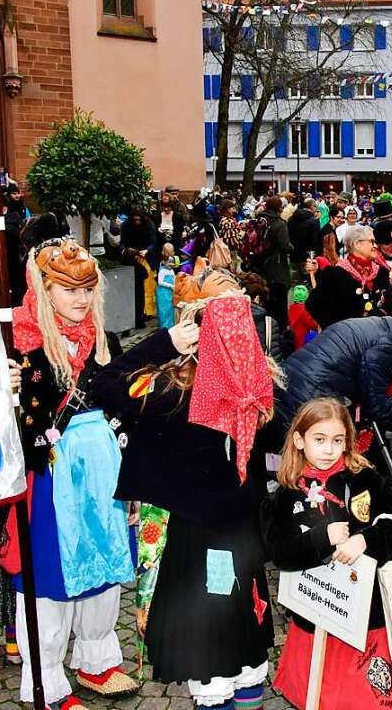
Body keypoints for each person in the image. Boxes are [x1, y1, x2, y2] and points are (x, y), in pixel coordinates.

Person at [93, 265, 277, 710]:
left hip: (199, 541)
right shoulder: (258, 387)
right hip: (233, 538)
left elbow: (104, 382)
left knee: (217, 648)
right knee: (240, 641)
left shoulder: (169, 389)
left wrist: (162, 343)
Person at [10, 239, 138, 709]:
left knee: (102, 572)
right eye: (68, 289)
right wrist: (6, 395)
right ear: (43, 289)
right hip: (49, 479)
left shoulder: (105, 340)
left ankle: (97, 660)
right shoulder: (19, 346)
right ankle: (47, 684)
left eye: (87, 288)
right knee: (51, 584)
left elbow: (125, 400)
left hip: (104, 475)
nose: (81, 300)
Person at [262, 398, 392, 710]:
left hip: (364, 618)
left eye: (337, 440)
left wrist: (365, 541)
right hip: (315, 613)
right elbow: (279, 552)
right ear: (299, 440)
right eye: (319, 440)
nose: (328, 450)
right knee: (318, 696)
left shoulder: (365, 479)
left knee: (366, 700)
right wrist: (323, 537)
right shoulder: (286, 492)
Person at [276, 314, 392, 434]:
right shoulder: (386, 347)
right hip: (310, 393)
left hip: (292, 381)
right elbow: (377, 408)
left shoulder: (377, 326)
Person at [306, 225, 390, 329]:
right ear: (357, 244)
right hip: (348, 339)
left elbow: (389, 303)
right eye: (372, 242)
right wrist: (340, 329)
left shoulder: (381, 272)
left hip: (377, 336)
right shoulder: (335, 274)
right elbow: (314, 305)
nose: (376, 246)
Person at [248, 196, 292, 331]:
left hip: (260, 266)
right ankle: (279, 330)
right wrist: (292, 247)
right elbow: (285, 246)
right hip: (276, 267)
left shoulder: (258, 220)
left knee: (265, 299)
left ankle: (262, 327)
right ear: (280, 208)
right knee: (278, 302)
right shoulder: (279, 223)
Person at [119, 211, 155, 328]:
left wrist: (147, 250)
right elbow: (123, 243)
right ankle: (137, 317)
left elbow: (152, 242)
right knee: (135, 292)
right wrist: (128, 252)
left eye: (139, 220)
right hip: (131, 261)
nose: (137, 222)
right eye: (135, 220)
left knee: (145, 290)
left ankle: (143, 315)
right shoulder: (126, 226)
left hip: (145, 259)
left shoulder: (149, 225)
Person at [288, 198, 322, 276]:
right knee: (308, 279)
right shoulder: (314, 221)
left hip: (293, 254)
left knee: (295, 279)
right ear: (312, 206)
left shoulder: (291, 219)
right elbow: (315, 241)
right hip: (307, 256)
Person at [154, 187, 187, 252]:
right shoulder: (157, 215)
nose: (166, 209)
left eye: (176, 194)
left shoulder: (179, 213)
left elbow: (182, 224)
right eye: (173, 194)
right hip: (161, 242)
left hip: (174, 242)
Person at [156, 242, 177, 329]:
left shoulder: (171, 271)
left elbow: (174, 278)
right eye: (169, 262)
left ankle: (170, 326)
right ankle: (164, 327)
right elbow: (160, 282)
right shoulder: (163, 270)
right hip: (163, 292)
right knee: (163, 309)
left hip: (170, 292)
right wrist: (170, 286)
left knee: (170, 309)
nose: (171, 264)